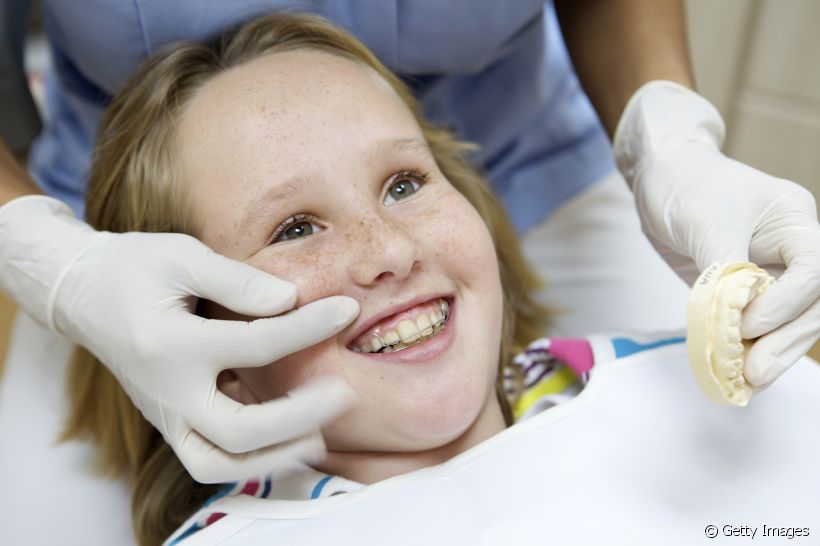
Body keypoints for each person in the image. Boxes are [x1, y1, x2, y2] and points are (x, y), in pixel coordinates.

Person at [1, 0, 818, 487]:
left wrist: (669, 135)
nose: (386, 249)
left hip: (532, 144)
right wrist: (50, 259)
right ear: (224, 363)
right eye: (294, 228)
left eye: (403, 184)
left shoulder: (664, 395)